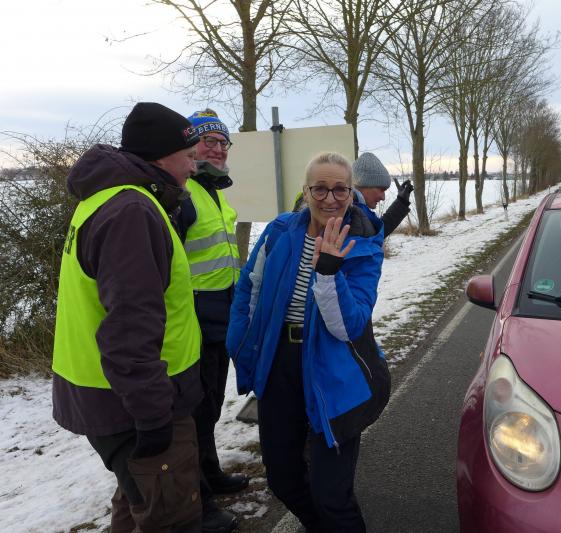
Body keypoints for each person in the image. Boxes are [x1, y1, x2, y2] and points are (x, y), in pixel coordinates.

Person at [52, 102, 205, 532]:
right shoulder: (132, 212)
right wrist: (153, 414)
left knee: (138, 503)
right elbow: (129, 328)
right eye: (188, 156)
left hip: (118, 393)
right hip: (138, 400)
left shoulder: (108, 200)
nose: (193, 167)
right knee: (170, 518)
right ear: (161, 157)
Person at [227, 152, 390, 532]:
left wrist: (329, 272)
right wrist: (240, 345)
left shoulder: (364, 241)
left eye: (340, 189)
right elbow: (249, 288)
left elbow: (347, 327)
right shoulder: (280, 231)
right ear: (306, 191)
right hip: (280, 363)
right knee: (282, 479)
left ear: (351, 193)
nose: (330, 198)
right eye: (320, 188)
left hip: (334, 369)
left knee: (331, 495)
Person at [176, 109, 247, 532]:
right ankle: (197, 500)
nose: (218, 149)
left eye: (223, 142)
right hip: (193, 323)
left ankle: (211, 473)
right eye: (209, 142)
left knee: (211, 407)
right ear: (191, 147)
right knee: (194, 415)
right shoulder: (184, 194)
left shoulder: (214, 191)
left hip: (221, 319)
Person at [352, 152, 414, 237]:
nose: (383, 197)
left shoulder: (358, 211)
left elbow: (376, 234)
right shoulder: (348, 214)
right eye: (381, 189)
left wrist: (401, 202)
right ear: (363, 184)